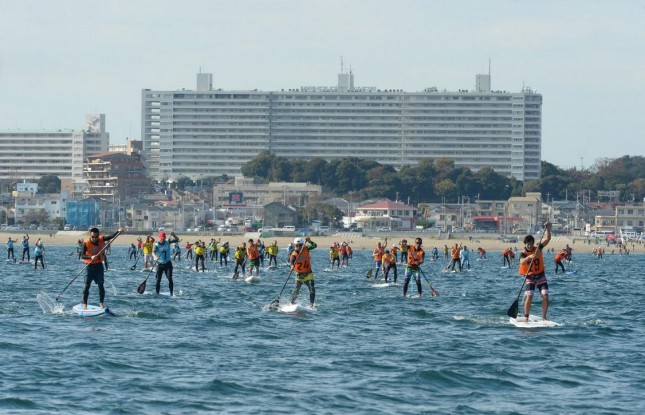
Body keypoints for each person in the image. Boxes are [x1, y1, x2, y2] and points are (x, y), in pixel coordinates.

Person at [80, 227, 123, 309]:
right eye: (93, 237)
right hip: (89, 266)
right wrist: (91, 257)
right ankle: (85, 303)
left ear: (98, 235)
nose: (94, 238)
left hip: (99, 266)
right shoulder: (85, 243)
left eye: (96, 236)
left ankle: (101, 303)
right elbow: (82, 255)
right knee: (87, 285)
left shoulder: (101, 239)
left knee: (101, 284)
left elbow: (110, 236)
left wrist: (118, 231)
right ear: (90, 235)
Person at [519, 222, 552, 322]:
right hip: (530, 277)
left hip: (541, 275)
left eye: (531, 243)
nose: (529, 245)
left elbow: (548, 239)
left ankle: (544, 317)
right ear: (525, 244)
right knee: (530, 295)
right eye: (528, 244)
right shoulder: (523, 253)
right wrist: (529, 257)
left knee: (545, 295)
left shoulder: (538, 248)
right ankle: (526, 317)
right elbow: (521, 262)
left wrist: (548, 229)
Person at [290, 237, 317, 307]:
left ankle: (311, 305)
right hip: (299, 276)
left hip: (308, 273)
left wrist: (309, 241)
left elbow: (315, 246)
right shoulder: (293, 255)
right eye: (297, 245)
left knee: (312, 288)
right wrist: (292, 266)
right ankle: (291, 303)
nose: (299, 247)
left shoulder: (306, 248)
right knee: (296, 291)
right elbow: (291, 262)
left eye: (300, 245)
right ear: (294, 245)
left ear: (303, 245)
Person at [153, 231, 179, 295]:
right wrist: (155, 256)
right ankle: (157, 294)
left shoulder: (168, 242)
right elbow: (153, 252)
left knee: (170, 278)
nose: (162, 239)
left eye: (163, 238)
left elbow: (177, 239)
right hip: (160, 264)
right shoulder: (156, 245)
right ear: (159, 238)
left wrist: (174, 235)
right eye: (161, 238)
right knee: (158, 280)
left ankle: (171, 293)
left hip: (168, 264)